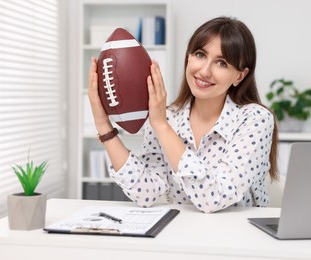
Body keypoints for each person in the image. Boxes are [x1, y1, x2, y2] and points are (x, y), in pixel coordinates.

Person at [88, 16, 279, 213]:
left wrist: (162, 126)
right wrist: (103, 125)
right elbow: (146, 191)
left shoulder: (255, 120)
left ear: (240, 76)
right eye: (200, 54)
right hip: (181, 234)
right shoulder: (167, 117)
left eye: (222, 63)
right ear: (188, 57)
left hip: (240, 237)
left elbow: (214, 198)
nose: (204, 71)